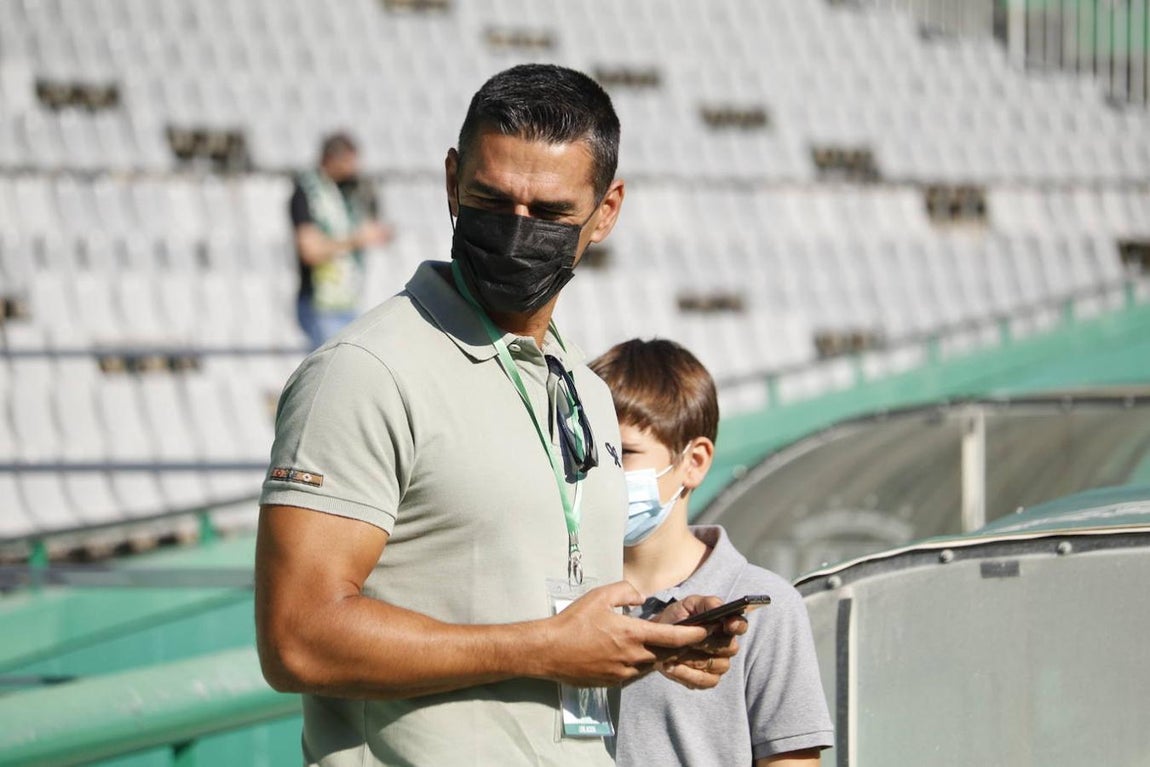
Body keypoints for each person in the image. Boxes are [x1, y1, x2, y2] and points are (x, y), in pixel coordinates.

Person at [256, 64, 745, 767]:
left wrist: (646, 637)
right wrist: (543, 648)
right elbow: (296, 637)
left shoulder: (585, 387)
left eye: (549, 214)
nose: (517, 233)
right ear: (452, 180)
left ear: (606, 212)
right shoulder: (363, 373)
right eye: (491, 201)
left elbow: (532, 611)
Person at [590, 339, 835, 767]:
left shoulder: (765, 606)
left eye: (622, 453)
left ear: (695, 461)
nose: (599, 472)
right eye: (587, 451)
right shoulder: (562, 594)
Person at [289, 132, 392, 349]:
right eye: (348, 162)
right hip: (321, 303)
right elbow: (310, 250)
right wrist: (356, 240)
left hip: (348, 300)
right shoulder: (306, 192)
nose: (354, 169)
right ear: (331, 159)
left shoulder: (347, 192)